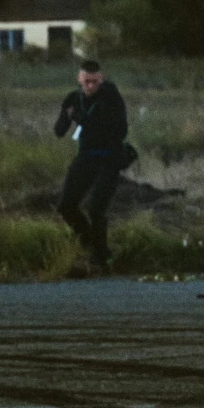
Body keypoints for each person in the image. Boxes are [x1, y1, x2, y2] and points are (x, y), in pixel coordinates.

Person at [54, 58, 128, 271]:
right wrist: (67, 117)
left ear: (101, 79)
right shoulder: (74, 98)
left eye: (95, 82)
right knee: (66, 205)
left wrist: (82, 118)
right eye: (86, 81)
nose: (90, 86)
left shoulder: (110, 96)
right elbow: (59, 131)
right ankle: (91, 245)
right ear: (79, 79)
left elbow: (119, 129)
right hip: (86, 157)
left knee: (96, 207)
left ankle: (101, 256)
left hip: (108, 158)